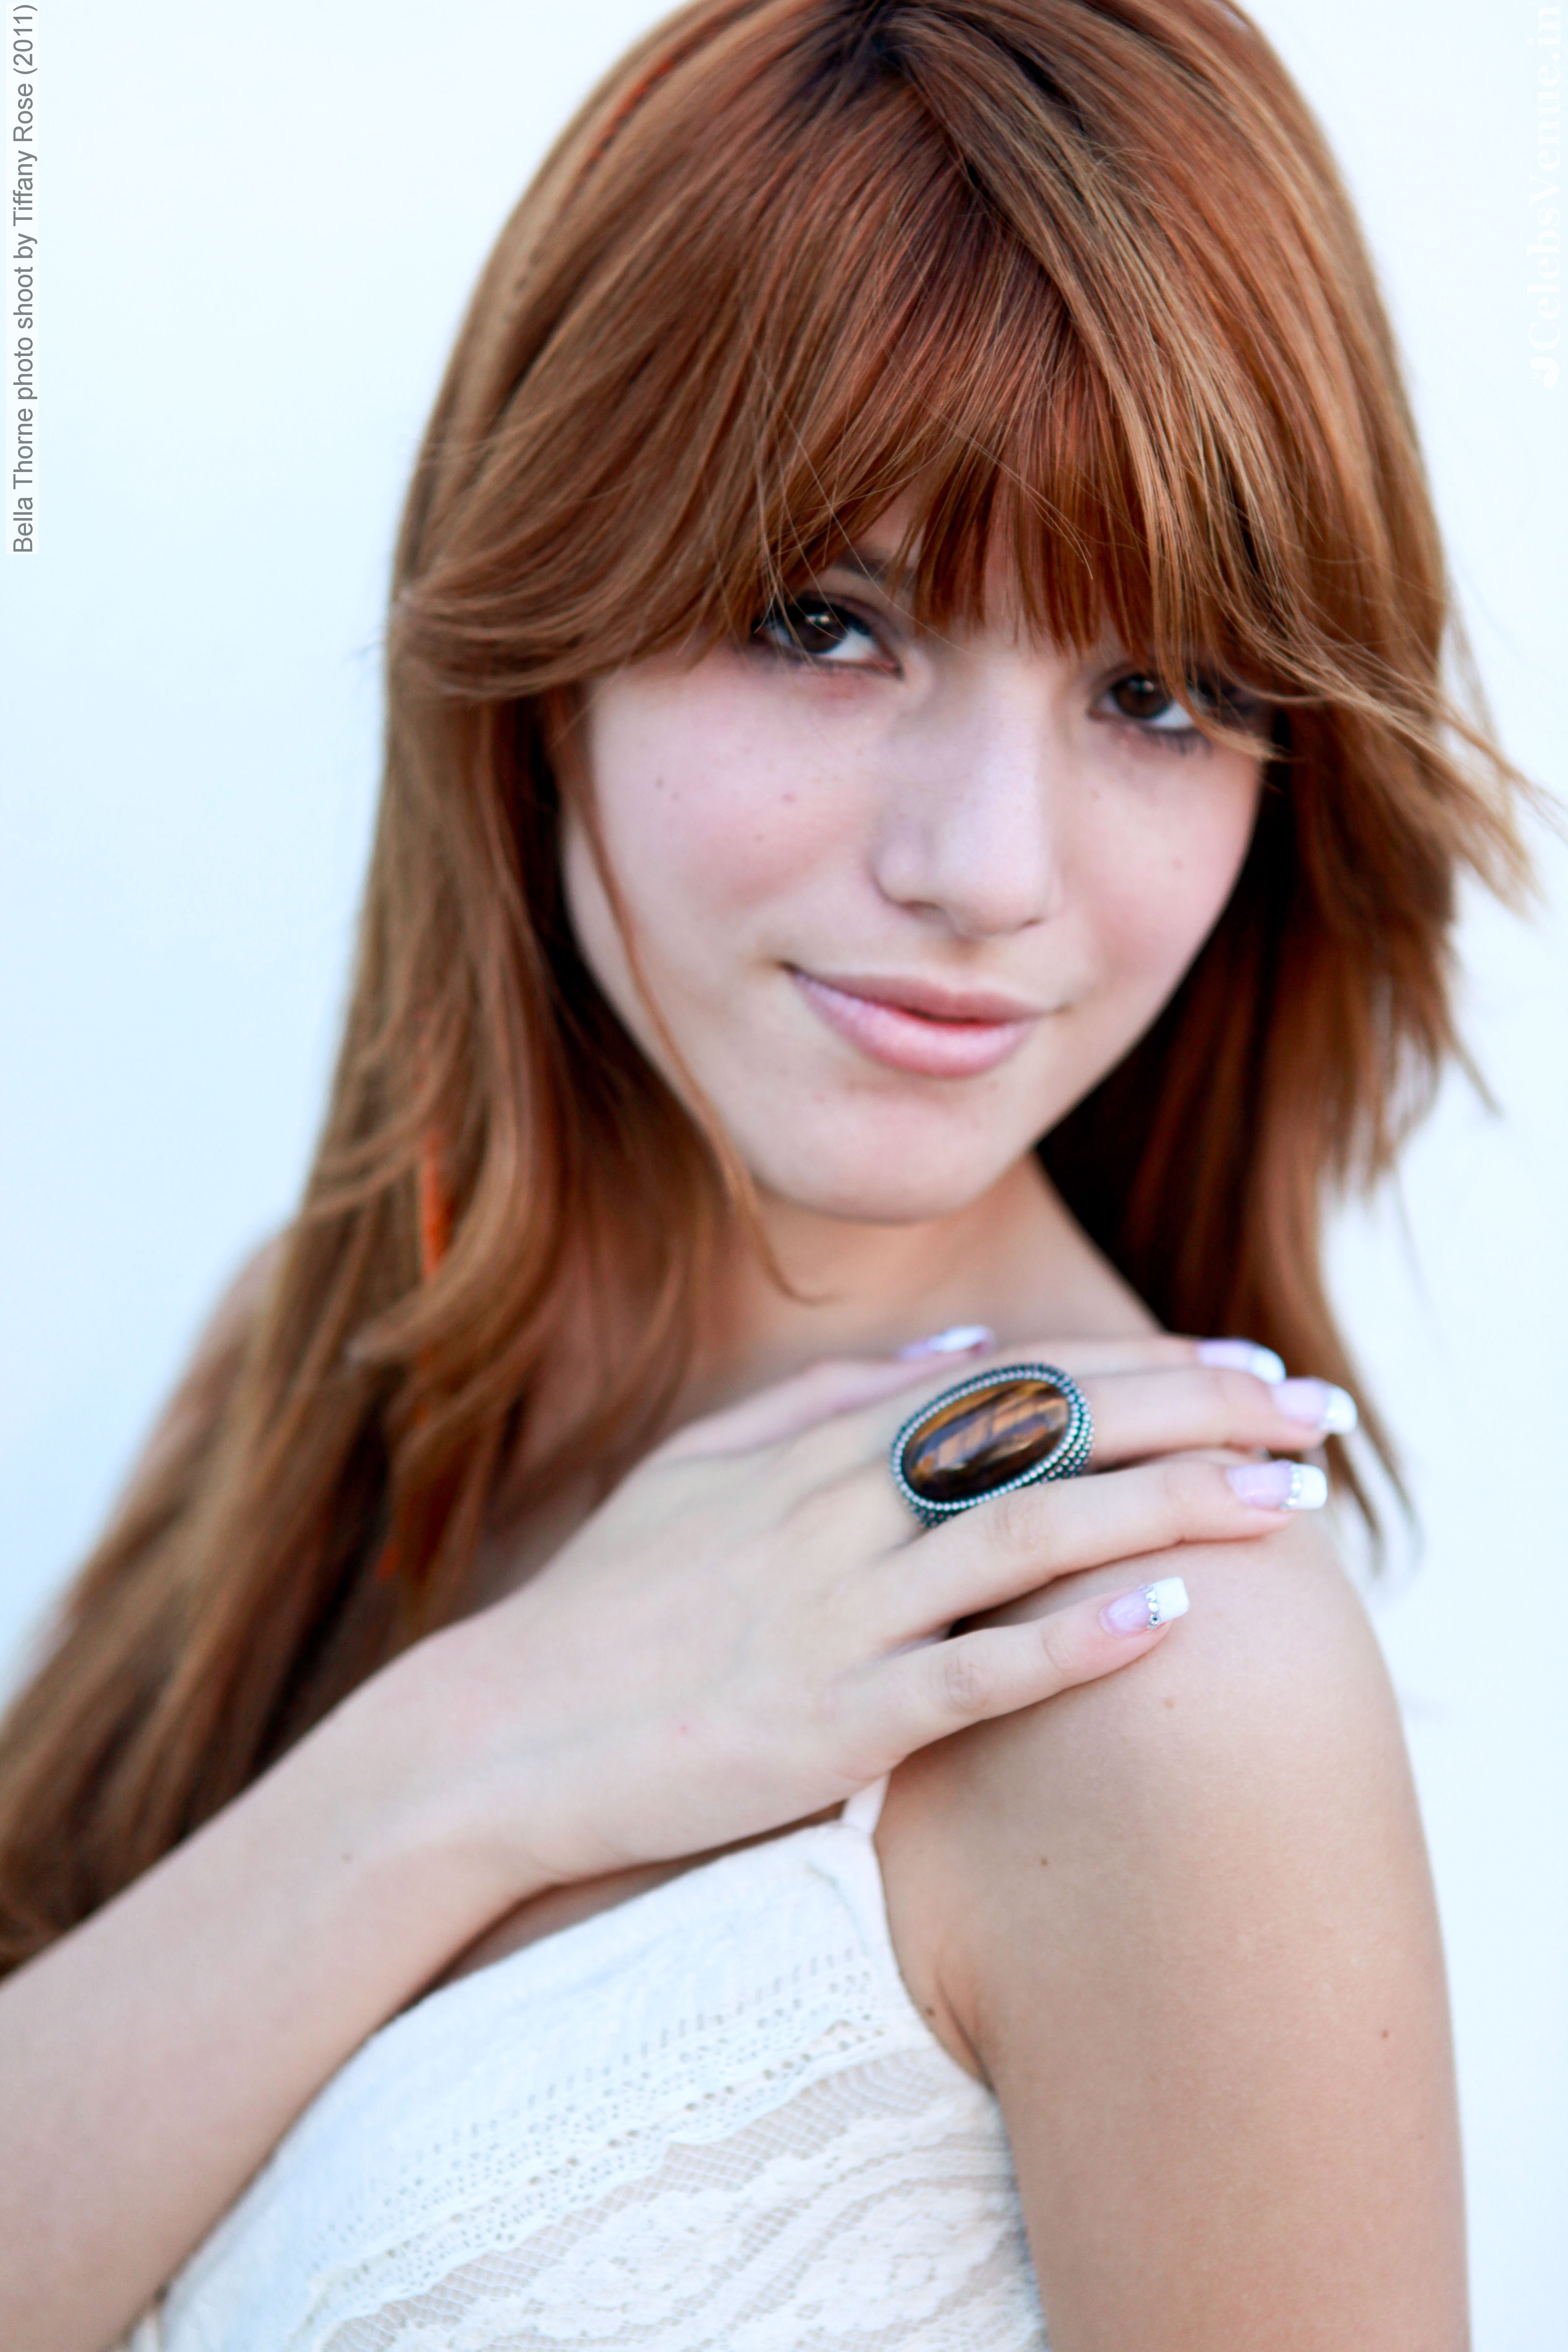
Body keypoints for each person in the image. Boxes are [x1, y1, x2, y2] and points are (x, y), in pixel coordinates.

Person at [0, 0, 1527, 2344]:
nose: (986, 868)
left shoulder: (1154, 1671)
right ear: (541, 636)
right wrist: (491, 1740)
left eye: (1161, 691)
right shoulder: (309, 1376)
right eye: (830, 623)